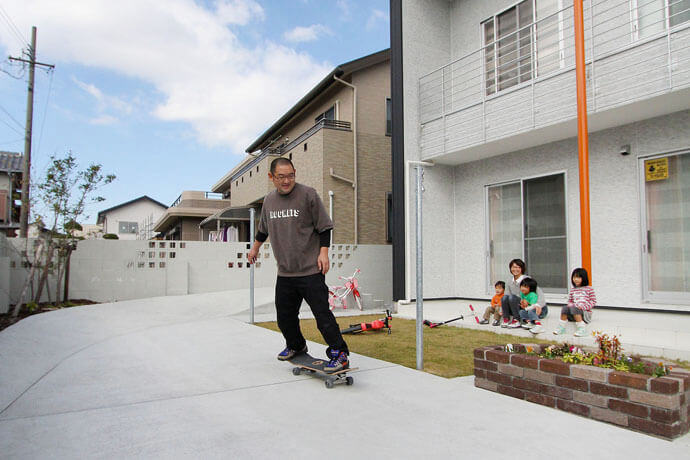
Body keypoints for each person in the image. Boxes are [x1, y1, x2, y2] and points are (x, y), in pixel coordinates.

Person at [247, 157, 350, 373]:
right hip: (285, 272)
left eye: (290, 176)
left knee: (322, 316)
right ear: (271, 177)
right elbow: (263, 230)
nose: (286, 181)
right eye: (281, 177)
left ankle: (339, 353)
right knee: (284, 317)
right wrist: (255, 248)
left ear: (295, 172)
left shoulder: (308, 195)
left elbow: (324, 227)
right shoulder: (269, 201)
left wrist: (323, 253)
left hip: (310, 270)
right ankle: (296, 345)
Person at [553, 267, 596, 337]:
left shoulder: (589, 289)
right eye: (574, 277)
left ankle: (582, 329)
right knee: (565, 308)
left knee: (575, 308)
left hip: (585, 314)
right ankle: (561, 327)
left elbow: (593, 301)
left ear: (584, 278)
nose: (575, 279)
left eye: (578, 277)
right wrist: (570, 305)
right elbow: (570, 301)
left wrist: (583, 307)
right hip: (574, 313)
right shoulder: (573, 290)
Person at [501, 259, 528, 328]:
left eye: (518, 267)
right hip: (512, 304)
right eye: (513, 267)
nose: (515, 269)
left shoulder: (527, 279)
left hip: (524, 304)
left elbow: (529, 295)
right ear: (510, 268)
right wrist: (502, 310)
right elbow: (506, 295)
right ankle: (506, 319)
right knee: (504, 297)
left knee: (512, 297)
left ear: (522, 269)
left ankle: (516, 320)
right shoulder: (509, 281)